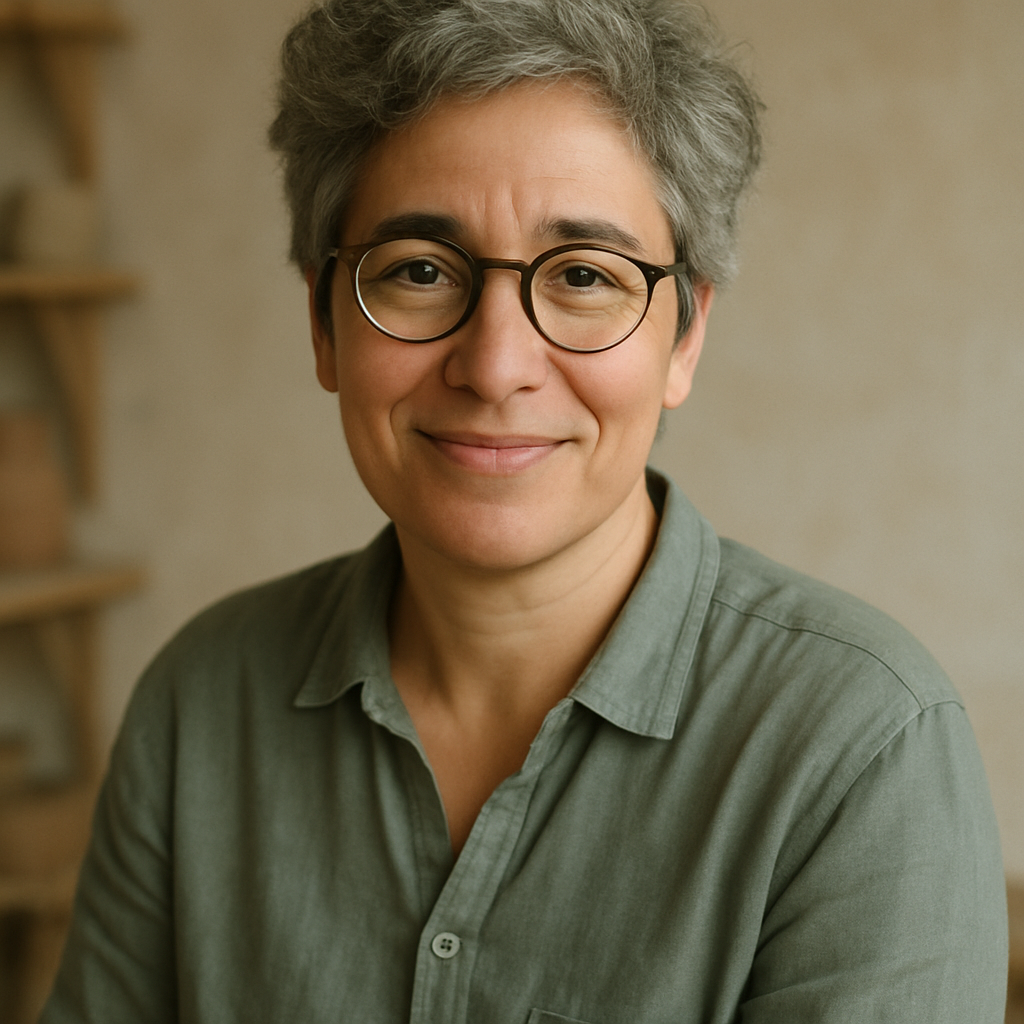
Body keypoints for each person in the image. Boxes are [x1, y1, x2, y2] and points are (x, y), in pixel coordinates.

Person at [43, 1, 1008, 1021]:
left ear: (684, 339)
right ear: (324, 324)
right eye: (420, 271)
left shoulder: (861, 748)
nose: (496, 366)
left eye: (584, 276)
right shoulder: (202, 703)